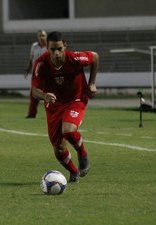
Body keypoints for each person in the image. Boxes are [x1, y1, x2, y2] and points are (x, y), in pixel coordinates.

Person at [32, 31, 99, 182]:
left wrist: (92, 83)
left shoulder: (74, 58)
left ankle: (83, 155)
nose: (56, 53)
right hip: (54, 106)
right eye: (52, 49)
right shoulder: (41, 64)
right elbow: (34, 90)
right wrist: (44, 95)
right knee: (59, 150)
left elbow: (94, 56)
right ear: (47, 49)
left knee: (68, 130)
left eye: (59, 49)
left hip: (75, 100)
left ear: (65, 46)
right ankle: (74, 173)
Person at [24, 30, 48, 118]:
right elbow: (31, 59)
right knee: (33, 94)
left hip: (47, 75)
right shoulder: (34, 46)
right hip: (36, 74)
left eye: (43, 35)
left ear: (46, 36)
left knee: (49, 93)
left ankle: (54, 113)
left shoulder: (49, 46)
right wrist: (27, 69)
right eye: (39, 36)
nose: (41, 37)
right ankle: (31, 114)